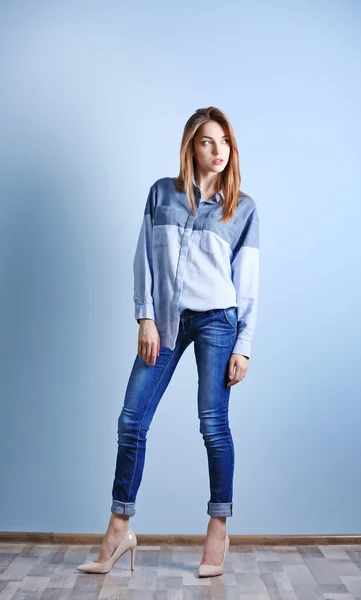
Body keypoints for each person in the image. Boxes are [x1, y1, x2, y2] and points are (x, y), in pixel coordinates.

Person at [76, 106, 259, 577]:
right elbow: (143, 258)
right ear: (190, 147)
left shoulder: (244, 208)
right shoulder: (162, 194)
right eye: (207, 142)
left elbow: (247, 283)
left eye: (224, 142)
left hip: (219, 321)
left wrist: (243, 344)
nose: (217, 151)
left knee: (212, 425)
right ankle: (119, 528)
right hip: (165, 321)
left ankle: (218, 525)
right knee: (131, 420)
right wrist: (145, 316)